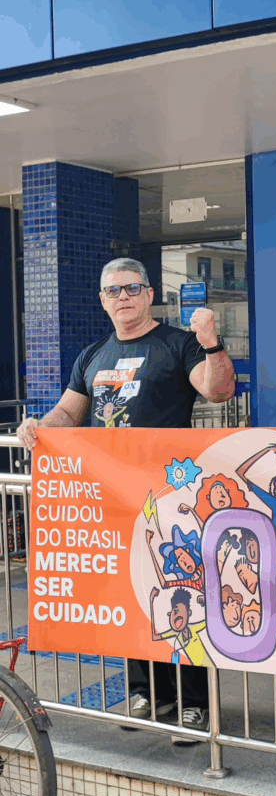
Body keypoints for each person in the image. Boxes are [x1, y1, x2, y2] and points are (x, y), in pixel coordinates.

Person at [17, 257, 235, 741]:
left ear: (149, 294)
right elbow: (68, 414)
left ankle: (194, 702)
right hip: (114, 501)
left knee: (182, 591)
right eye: (114, 290)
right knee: (133, 596)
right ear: (103, 299)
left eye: (133, 288)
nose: (124, 297)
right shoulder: (93, 355)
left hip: (171, 500)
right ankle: (147, 692)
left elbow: (218, 390)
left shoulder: (177, 344)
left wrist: (210, 342)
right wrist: (37, 428)